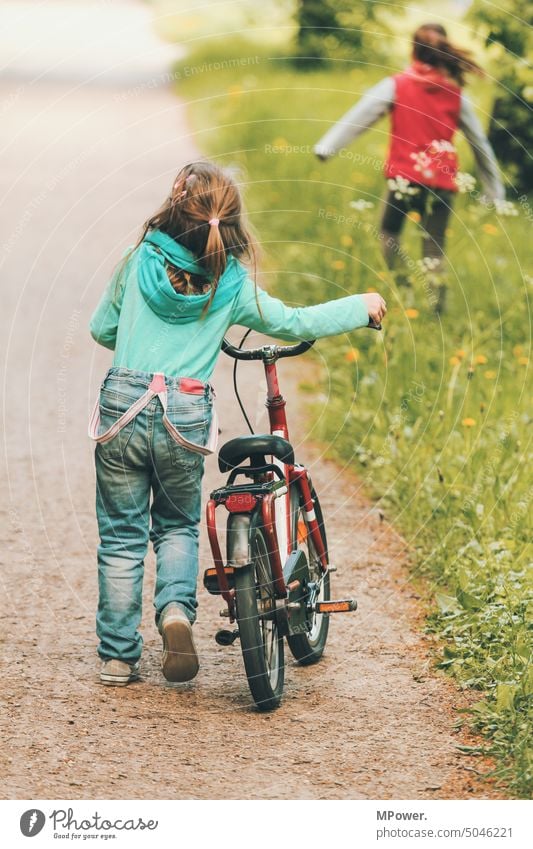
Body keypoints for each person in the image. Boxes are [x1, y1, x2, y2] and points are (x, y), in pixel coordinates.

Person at [89, 160, 387, 687]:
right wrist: (360, 307)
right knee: (176, 524)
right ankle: (175, 613)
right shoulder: (230, 283)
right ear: (229, 223)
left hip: (123, 405)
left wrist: (142, 332)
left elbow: (101, 328)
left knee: (120, 536)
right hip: (183, 411)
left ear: (175, 208)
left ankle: (117, 656)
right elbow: (294, 322)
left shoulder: (139, 262)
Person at [314, 23, 505, 312]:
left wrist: (327, 147)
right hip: (442, 181)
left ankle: (403, 289)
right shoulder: (456, 94)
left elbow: (362, 114)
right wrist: (495, 191)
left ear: (413, 49)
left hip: (405, 177)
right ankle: (436, 308)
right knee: (434, 247)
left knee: (389, 233)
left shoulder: (398, 84)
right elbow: (480, 143)